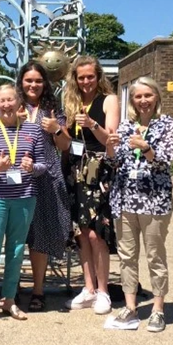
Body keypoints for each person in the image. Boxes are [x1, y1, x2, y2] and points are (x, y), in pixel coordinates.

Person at [106, 77, 173, 332]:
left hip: (155, 202)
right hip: (125, 200)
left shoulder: (167, 125)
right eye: (138, 96)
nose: (143, 101)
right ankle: (131, 307)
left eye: (148, 95)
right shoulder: (126, 127)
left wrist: (146, 148)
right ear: (132, 100)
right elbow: (116, 165)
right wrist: (111, 150)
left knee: (155, 256)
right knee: (127, 256)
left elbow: (166, 160)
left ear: (157, 96)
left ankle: (158, 308)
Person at [0, 84, 47, 326]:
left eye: (10, 100)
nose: (6, 105)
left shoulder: (33, 131)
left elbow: (43, 165)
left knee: (16, 251)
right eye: (2, 101)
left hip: (24, 197)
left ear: (19, 104)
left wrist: (31, 167)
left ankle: (8, 298)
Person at [63, 55, 120, 315]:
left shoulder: (108, 100)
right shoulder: (73, 102)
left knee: (98, 233)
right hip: (76, 170)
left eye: (90, 76)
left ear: (99, 77)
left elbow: (112, 140)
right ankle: (89, 288)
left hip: (99, 171)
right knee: (81, 232)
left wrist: (92, 124)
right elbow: (66, 139)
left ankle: (104, 290)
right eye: (81, 77)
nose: (86, 81)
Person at [15, 62, 72, 312]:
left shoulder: (52, 110)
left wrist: (56, 129)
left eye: (38, 80)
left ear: (45, 84)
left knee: (40, 237)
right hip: (15, 178)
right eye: (28, 80)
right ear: (21, 82)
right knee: (15, 235)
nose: (33, 85)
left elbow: (65, 146)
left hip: (46, 177)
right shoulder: (12, 106)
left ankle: (37, 290)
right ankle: (11, 288)